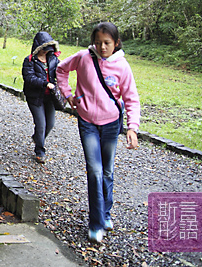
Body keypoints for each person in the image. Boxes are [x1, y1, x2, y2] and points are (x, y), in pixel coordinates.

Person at [56, 22, 140, 244]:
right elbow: (61, 69)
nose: (102, 47)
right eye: (98, 42)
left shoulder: (122, 67)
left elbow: (131, 98)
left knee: (107, 172)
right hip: (87, 122)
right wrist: (67, 94)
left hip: (112, 123)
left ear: (116, 43)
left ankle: (106, 213)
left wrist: (133, 127)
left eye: (107, 43)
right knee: (95, 170)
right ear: (93, 42)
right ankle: (96, 223)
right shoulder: (84, 57)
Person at [22, 31, 61, 164]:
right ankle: (40, 151)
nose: (46, 52)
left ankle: (37, 138)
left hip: (50, 97)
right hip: (35, 97)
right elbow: (29, 78)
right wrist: (45, 84)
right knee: (41, 124)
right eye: (43, 49)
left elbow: (61, 72)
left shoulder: (54, 59)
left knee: (50, 124)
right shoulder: (29, 61)